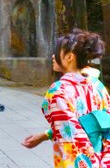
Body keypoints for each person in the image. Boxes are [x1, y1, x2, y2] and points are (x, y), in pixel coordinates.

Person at [22, 29, 110, 167]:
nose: (53, 56)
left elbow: (71, 135)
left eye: (57, 52)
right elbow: (96, 124)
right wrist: (45, 135)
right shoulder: (97, 85)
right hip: (103, 157)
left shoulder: (59, 90)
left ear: (69, 57)